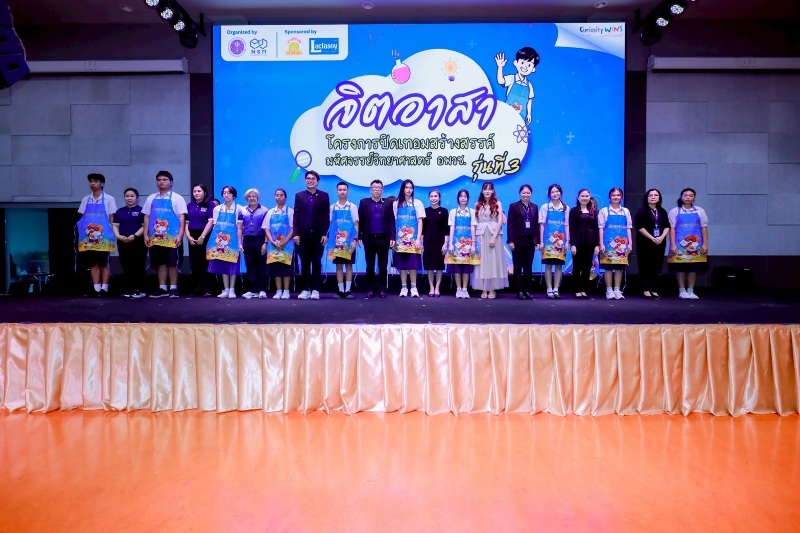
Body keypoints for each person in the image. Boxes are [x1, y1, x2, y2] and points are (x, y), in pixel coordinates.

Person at [142, 170, 187, 298]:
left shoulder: (177, 198)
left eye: (165, 180)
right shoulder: (151, 198)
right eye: (159, 180)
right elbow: (146, 217)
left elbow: (182, 218)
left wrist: (180, 235)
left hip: (172, 237)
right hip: (155, 237)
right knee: (159, 262)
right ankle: (162, 288)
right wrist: (145, 234)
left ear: (171, 182)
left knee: (172, 263)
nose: (162, 182)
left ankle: (173, 288)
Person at [77, 173, 117, 297]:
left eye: (95, 181)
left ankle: (105, 288)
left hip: (104, 236)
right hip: (88, 237)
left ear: (102, 183)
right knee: (93, 263)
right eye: (91, 181)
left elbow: (112, 218)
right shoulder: (86, 199)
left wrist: (113, 234)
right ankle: (96, 288)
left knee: (104, 263)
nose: (92, 184)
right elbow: (82, 218)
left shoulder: (109, 199)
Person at [293, 170, 330, 300]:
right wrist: (296, 233)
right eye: (308, 178)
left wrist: (325, 233)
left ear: (317, 181)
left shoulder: (324, 196)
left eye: (313, 178)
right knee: (304, 263)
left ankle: (315, 289)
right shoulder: (299, 195)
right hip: (302, 235)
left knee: (316, 262)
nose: (310, 180)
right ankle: (305, 289)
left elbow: (326, 216)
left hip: (318, 235)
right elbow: (296, 215)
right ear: (305, 180)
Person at [200, 185, 242, 298]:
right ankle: (226, 289)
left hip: (233, 240)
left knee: (233, 264)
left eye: (229, 193)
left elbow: (239, 228)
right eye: (224, 193)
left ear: (234, 195)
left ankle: (232, 289)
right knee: (223, 263)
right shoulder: (217, 209)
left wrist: (239, 243)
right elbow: (215, 226)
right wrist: (215, 241)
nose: (226, 195)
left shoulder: (239, 209)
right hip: (220, 240)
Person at [668, 187, 709, 299]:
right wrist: (672, 244)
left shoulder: (700, 211)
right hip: (679, 245)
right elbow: (672, 228)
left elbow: (704, 228)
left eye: (691, 195)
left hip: (697, 245)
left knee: (693, 268)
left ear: (694, 198)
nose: (688, 197)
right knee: (680, 268)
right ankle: (682, 290)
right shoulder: (675, 211)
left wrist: (705, 244)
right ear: (681, 197)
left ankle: (691, 291)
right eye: (685, 195)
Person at [357, 180, 394, 299]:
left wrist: (392, 237)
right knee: (370, 265)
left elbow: (391, 221)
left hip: (383, 238)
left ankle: (382, 289)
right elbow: (360, 220)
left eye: (379, 187)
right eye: (374, 187)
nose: (377, 189)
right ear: (370, 189)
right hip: (369, 239)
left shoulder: (388, 203)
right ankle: (370, 289)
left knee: (383, 265)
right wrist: (359, 236)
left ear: (382, 190)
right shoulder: (364, 202)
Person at [472, 181, 508, 298]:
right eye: (485, 189)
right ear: (482, 191)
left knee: (493, 261)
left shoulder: (498, 203)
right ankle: (484, 288)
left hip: (494, 234)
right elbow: (475, 223)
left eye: (489, 189)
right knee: (482, 262)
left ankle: (492, 289)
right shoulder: (477, 204)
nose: (487, 191)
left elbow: (500, 221)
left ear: (493, 191)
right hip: (481, 235)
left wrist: (494, 237)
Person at [634, 188, 670, 299]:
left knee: (657, 266)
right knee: (645, 266)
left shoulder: (662, 211)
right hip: (645, 242)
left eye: (655, 195)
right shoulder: (642, 211)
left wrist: (661, 237)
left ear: (659, 198)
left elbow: (667, 226)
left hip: (660, 242)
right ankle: (645, 289)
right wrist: (652, 238)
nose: (653, 197)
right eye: (651, 195)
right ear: (647, 197)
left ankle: (654, 289)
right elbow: (639, 226)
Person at [392, 179, 426, 297]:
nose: (409, 190)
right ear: (403, 189)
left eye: (411, 188)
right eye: (406, 187)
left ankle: (414, 288)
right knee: (402, 265)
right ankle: (403, 288)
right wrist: (394, 239)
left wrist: (418, 239)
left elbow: (420, 222)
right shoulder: (396, 203)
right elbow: (394, 222)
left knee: (412, 265)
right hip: (400, 240)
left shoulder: (418, 203)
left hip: (413, 240)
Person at [598, 187, 633, 300]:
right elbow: (601, 228)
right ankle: (609, 290)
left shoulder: (626, 211)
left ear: (621, 197)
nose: (616, 197)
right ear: (610, 197)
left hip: (623, 245)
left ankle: (617, 290)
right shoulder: (604, 211)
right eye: (613, 195)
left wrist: (630, 243)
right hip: (608, 244)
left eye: (618, 195)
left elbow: (628, 228)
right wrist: (601, 243)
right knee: (608, 268)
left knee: (619, 268)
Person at [506, 184, 539, 300]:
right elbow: (510, 225)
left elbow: (536, 225)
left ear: (531, 194)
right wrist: (510, 241)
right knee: (518, 266)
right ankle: (519, 291)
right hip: (518, 241)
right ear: (520, 194)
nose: (526, 195)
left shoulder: (534, 207)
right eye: (524, 193)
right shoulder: (514, 206)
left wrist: (537, 241)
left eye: (528, 193)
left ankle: (528, 290)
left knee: (528, 267)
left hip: (530, 241)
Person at [112, 188, 146, 299]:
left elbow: (144, 226)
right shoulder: (120, 211)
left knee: (138, 265)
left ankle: (140, 289)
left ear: (137, 198)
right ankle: (129, 288)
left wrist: (134, 236)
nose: (129, 198)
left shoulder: (142, 210)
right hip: (123, 240)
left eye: (132, 196)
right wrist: (118, 236)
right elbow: (115, 225)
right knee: (126, 265)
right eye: (127, 196)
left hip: (137, 240)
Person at [185, 184, 218, 296]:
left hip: (205, 235)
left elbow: (211, 221)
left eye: (199, 191)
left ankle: (208, 288)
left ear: (205, 192)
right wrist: (188, 236)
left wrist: (202, 236)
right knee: (194, 262)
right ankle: (196, 288)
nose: (196, 193)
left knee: (205, 262)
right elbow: (186, 222)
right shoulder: (190, 205)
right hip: (192, 235)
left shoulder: (210, 204)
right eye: (194, 191)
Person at [328, 182, 359, 299]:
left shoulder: (353, 207)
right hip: (336, 242)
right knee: (338, 266)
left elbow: (356, 224)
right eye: (340, 190)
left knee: (349, 266)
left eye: (344, 190)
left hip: (349, 241)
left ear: (348, 192)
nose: (342, 192)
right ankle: (341, 290)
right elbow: (331, 225)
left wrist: (355, 240)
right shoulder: (332, 207)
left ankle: (348, 290)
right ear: (336, 192)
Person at [539, 183, 569, 299]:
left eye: (557, 191)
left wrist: (567, 241)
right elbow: (542, 225)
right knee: (548, 265)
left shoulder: (565, 208)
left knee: (559, 266)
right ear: (549, 194)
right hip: (547, 241)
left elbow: (566, 226)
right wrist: (541, 241)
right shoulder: (545, 207)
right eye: (552, 192)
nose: (555, 194)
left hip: (561, 242)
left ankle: (556, 289)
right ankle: (549, 289)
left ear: (560, 193)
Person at [494, 46, 540, 124]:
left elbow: (529, 101)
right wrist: (500, 67)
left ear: (533, 69)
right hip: (507, 114)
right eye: (522, 63)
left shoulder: (529, 86)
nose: (525, 66)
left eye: (529, 65)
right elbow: (501, 81)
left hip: (521, 117)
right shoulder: (512, 79)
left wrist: (529, 114)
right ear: (516, 63)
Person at [445, 189, 477, 299]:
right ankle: (458, 289)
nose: (463, 198)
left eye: (465, 196)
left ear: (468, 198)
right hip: (456, 244)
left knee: (467, 267)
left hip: (468, 244)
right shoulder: (453, 212)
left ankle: (465, 289)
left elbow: (473, 228)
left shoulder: (472, 212)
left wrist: (473, 244)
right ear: (458, 198)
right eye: (461, 196)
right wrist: (450, 244)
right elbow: (452, 228)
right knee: (457, 267)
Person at [263, 188, 295, 299]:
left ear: (285, 197)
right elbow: (266, 228)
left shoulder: (290, 212)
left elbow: (293, 228)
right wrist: (271, 241)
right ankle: (278, 291)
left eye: (281, 195)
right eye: (277, 195)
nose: (279, 197)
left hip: (287, 245)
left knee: (286, 268)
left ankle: (286, 291)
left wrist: (285, 241)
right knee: (276, 268)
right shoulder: (270, 212)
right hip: (273, 245)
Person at [238, 188, 269, 299]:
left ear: (258, 198)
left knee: (261, 265)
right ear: (246, 198)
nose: (252, 198)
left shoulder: (264, 210)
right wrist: (240, 244)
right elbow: (240, 229)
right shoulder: (242, 211)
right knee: (250, 265)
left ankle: (262, 289)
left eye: (254, 196)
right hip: (247, 240)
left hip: (260, 239)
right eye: (249, 196)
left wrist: (265, 243)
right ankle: (252, 290)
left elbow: (267, 228)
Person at [568, 189, 599, 299]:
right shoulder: (574, 211)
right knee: (577, 267)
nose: (585, 198)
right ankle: (576, 289)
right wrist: (573, 244)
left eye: (587, 196)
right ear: (578, 198)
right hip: (577, 243)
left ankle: (584, 289)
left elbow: (596, 228)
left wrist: (597, 245)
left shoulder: (594, 211)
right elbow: (572, 228)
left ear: (589, 198)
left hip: (590, 242)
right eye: (582, 196)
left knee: (587, 267)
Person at [422, 189, 448, 297]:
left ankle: (437, 287)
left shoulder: (444, 211)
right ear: (429, 198)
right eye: (431, 196)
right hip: (428, 241)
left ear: (439, 198)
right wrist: (421, 243)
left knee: (439, 266)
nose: (433, 198)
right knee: (429, 266)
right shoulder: (425, 211)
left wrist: (445, 243)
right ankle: (431, 287)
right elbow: (423, 229)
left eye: (436, 196)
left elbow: (446, 229)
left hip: (440, 242)